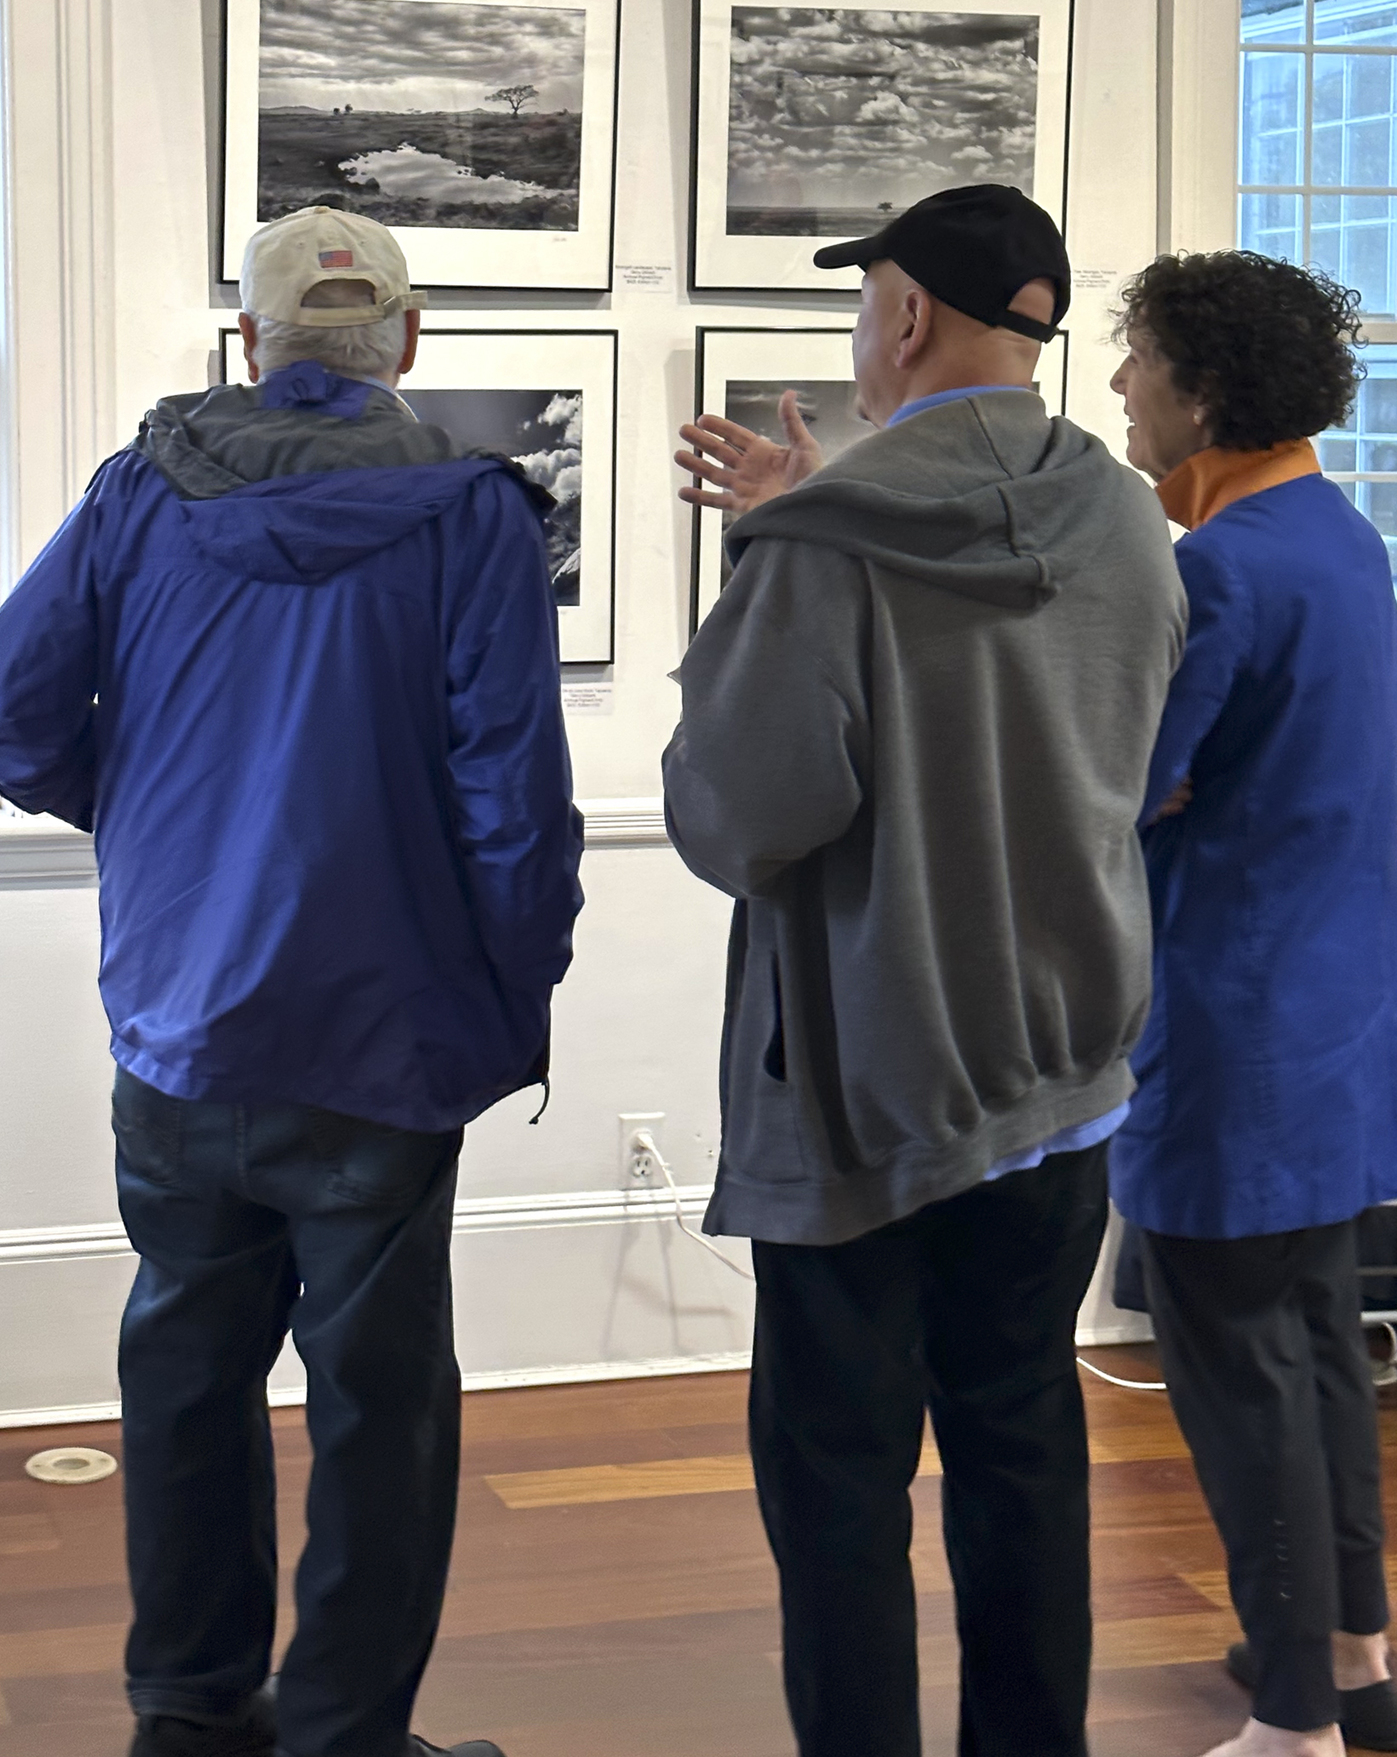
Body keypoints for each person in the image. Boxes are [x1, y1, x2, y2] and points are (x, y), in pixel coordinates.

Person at [0, 206, 584, 1757]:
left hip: (184, 1022)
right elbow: (513, 798)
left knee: (185, 1364)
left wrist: (143, 817)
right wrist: (518, 993)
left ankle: (187, 1709)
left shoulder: (138, 495)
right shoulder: (470, 515)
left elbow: (15, 708)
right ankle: (339, 1728)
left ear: (249, 344)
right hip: (392, 1036)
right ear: (406, 338)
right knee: (380, 1402)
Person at [665, 184, 1186, 1757]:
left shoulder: (826, 548)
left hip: (869, 1100)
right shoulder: (1123, 518)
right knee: (1023, 1443)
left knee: (837, 1488)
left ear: (898, 317)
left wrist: (785, 550)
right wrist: (809, 514)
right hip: (1061, 1082)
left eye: (864, 301)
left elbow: (743, 819)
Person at [1107, 251, 1397, 1757]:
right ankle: (1355, 1663)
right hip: (1342, 1017)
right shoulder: (1340, 538)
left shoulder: (1222, 567)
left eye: (1138, 359)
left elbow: (1139, 783)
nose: (1119, 387)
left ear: (1203, 390)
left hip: (1237, 1024)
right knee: (1315, 1340)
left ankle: (1291, 1715)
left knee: (1235, 1373)